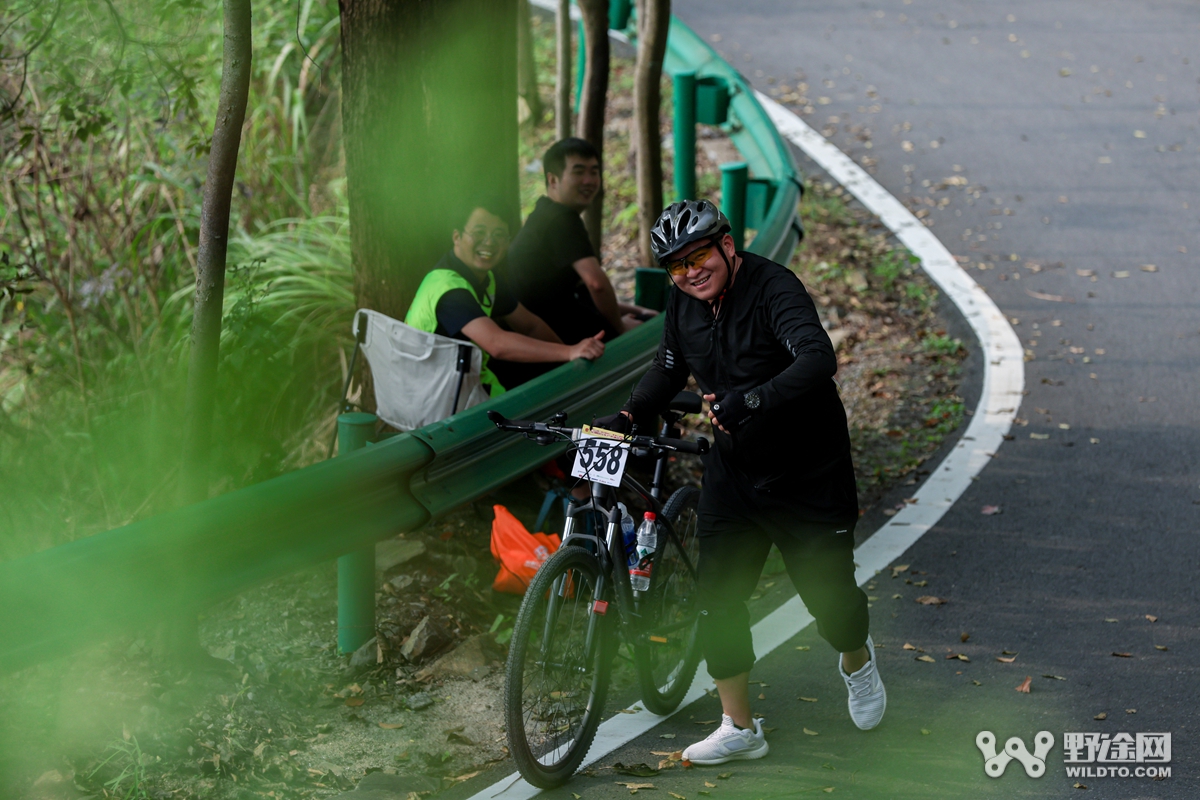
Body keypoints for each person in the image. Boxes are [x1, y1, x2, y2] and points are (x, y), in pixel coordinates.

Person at [594, 200, 884, 766]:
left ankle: (857, 659)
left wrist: (751, 399)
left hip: (808, 473)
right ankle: (740, 726)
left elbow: (817, 358)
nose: (690, 272)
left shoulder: (775, 288)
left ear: (727, 245)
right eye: (676, 266)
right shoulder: (683, 303)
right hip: (734, 474)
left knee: (832, 603)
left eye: (698, 256)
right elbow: (668, 366)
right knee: (717, 599)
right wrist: (629, 417)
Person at [495, 138, 655, 387]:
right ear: (553, 180)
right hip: (548, 337)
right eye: (579, 172)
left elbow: (574, 293)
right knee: (649, 333)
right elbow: (596, 283)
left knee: (646, 319)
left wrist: (632, 310)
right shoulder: (561, 219)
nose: (589, 180)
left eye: (594, 172)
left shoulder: (544, 213)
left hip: (556, 321)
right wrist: (621, 327)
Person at [405, 201, 605, 397]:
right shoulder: (449, 289)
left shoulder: (485, 278)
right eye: (479, 232)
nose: (489, 242)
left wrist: (568, 361)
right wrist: (569, 352)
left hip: (463, 383)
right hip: (436, 397)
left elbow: (530, 326)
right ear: (457, 236)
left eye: (499, 234)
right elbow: (497, 344)